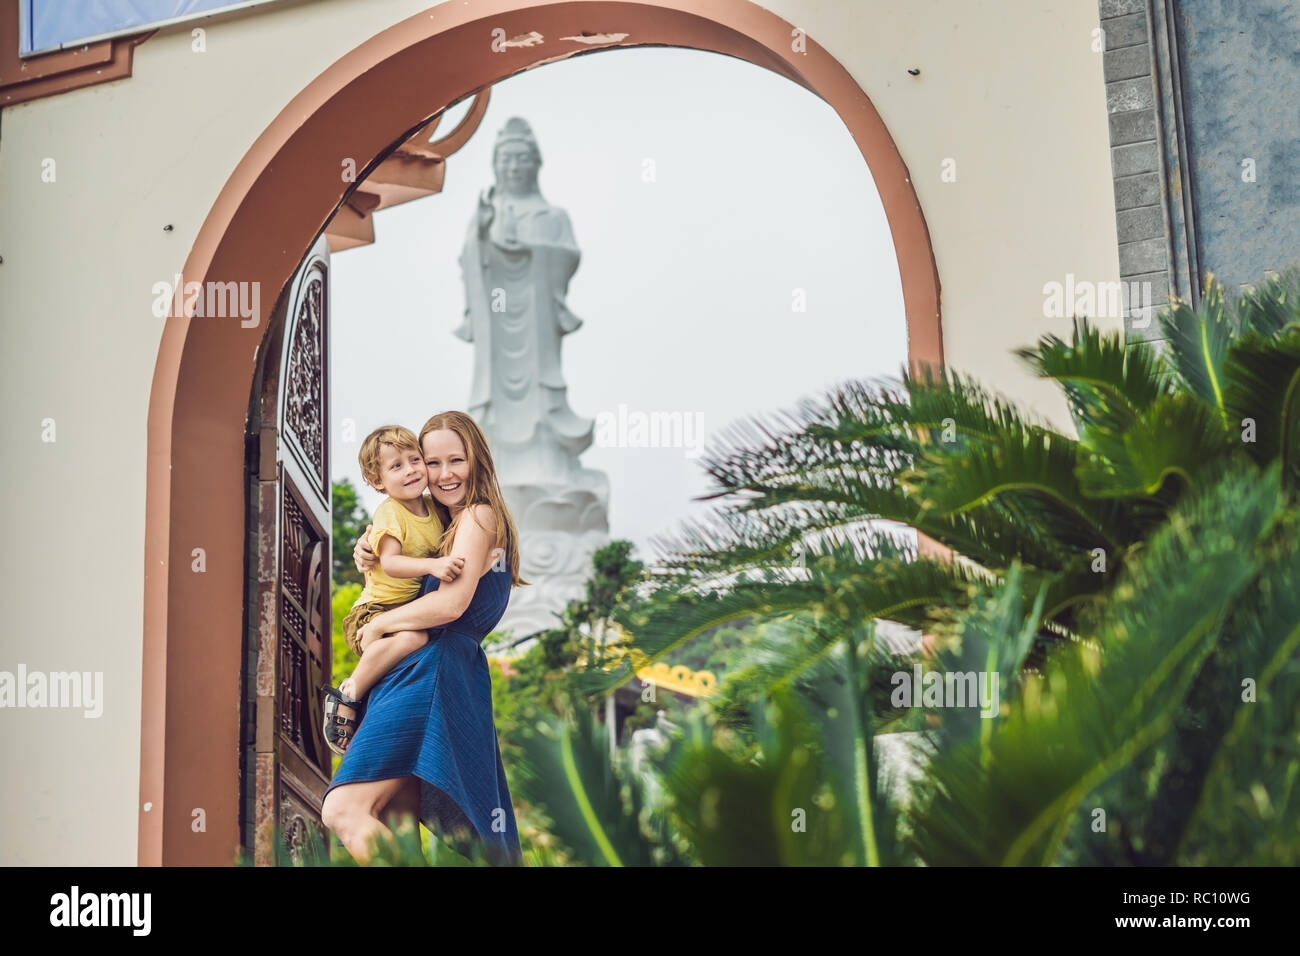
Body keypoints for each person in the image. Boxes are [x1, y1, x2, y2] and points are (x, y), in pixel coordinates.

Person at [320, 411, 528, 866]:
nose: (443, 474)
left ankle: (348, 694)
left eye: (457, 460)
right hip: (424, 672)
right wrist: (368, 548)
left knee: (345, 809)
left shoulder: (477, 515)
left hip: (431, 672)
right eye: (432, 463)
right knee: (394, 818)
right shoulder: (439, 523)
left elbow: (449, 606)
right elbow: (397, 547)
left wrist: (378, 625)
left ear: (478, 461)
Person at [321, 424, 466, 755]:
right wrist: (432, 566)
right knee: (414, 639)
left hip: (402, 611)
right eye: (396, 466)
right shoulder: (390, 512)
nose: (411, 470)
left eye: (415, 460)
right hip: (374, 612)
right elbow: (391, 563)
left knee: (414, 652)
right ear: (377, 482)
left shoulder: (435, 507)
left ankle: (373, 709)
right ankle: (349, 693)